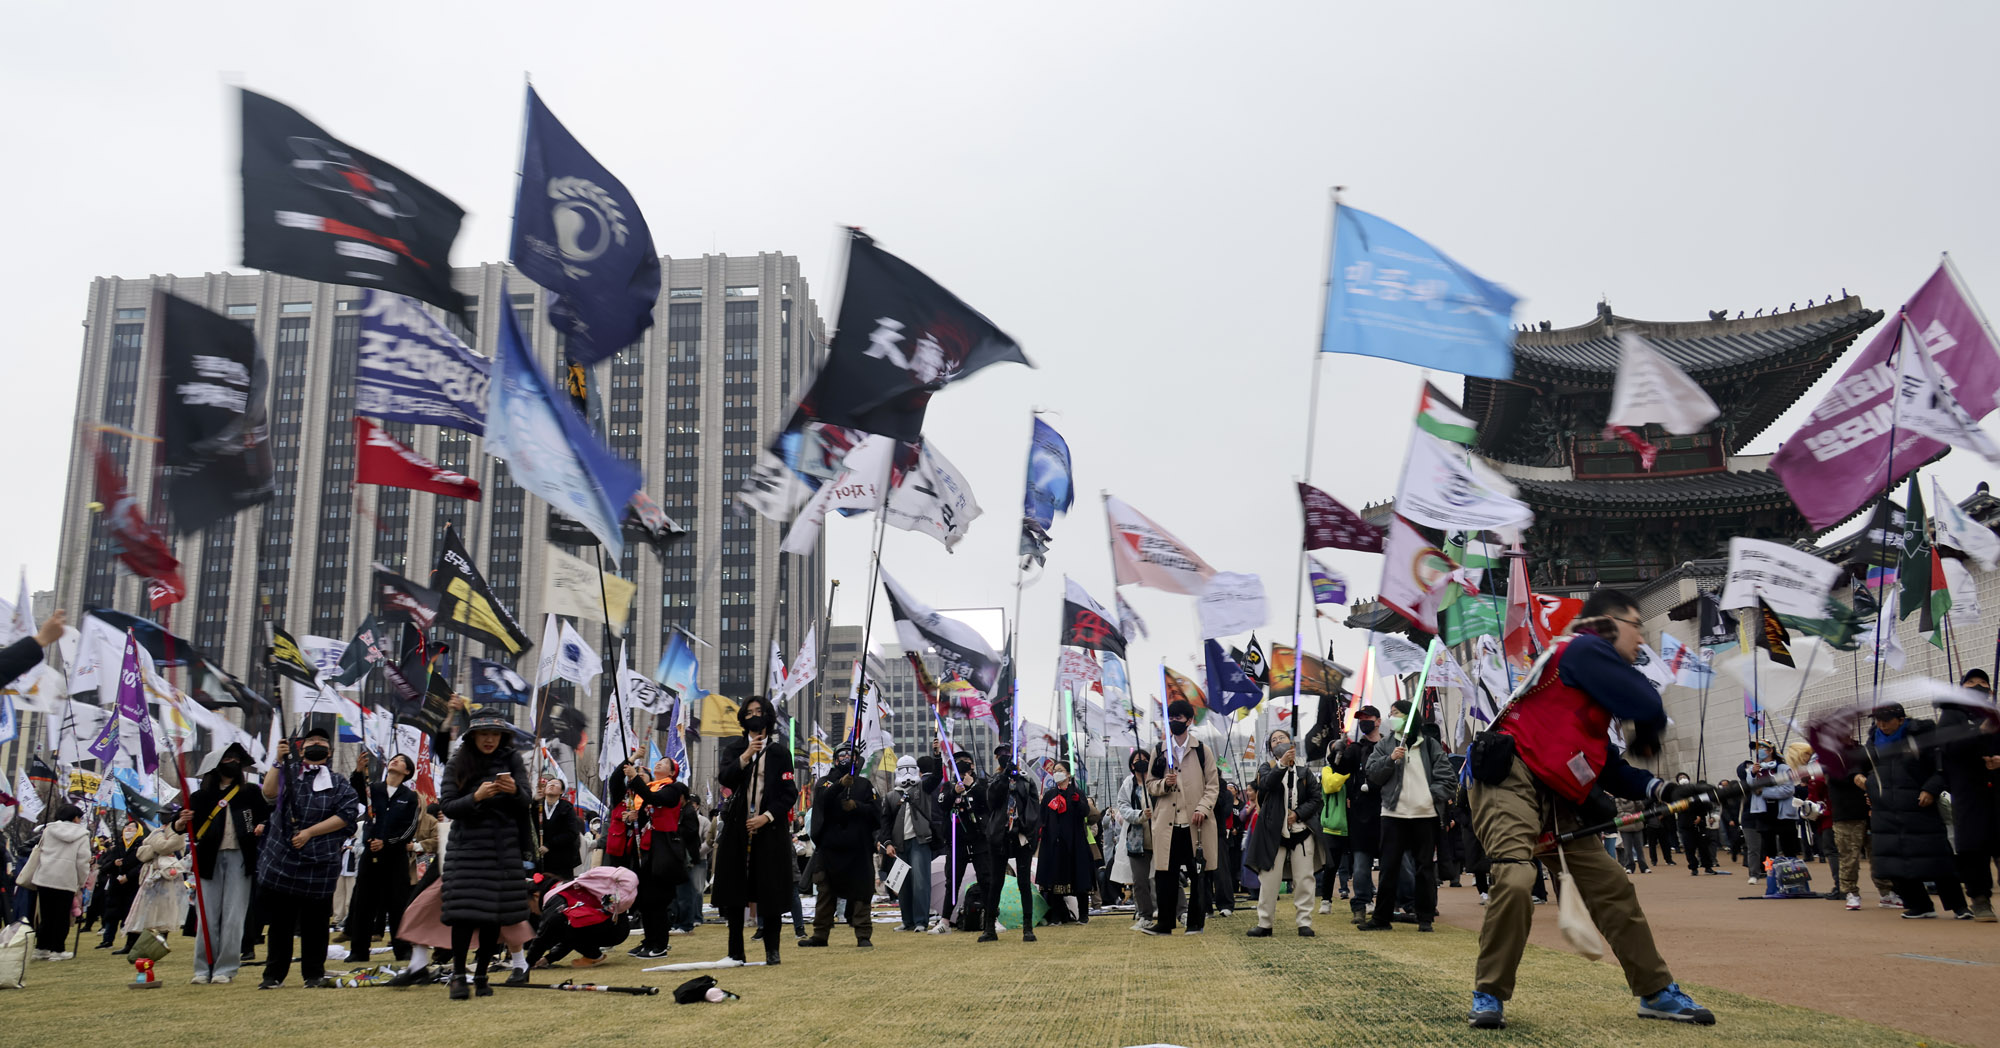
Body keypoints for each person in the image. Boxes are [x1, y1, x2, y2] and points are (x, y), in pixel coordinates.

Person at [1468, 589, 1718, 1029]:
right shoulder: (1581, 646)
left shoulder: (1589, 692)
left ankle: (1656, 992)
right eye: (1637, 626)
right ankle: (1488, 994)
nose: (1641, 640)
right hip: (1510, 778)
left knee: (1612, 886)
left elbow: (1608, 767)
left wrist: (1667, 791)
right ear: (1609, 622)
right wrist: (1648, 728)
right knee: (1516, 875)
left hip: (1560, 797)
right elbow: (1645, 702)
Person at [436, 709, 534, 999]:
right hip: (467, 849)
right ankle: (457, 975)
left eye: (495, 734)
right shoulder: (458, 762)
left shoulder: (512, 760)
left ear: (502, 736)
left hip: (503, 849)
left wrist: (515, 789)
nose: (489, 739)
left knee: (495, 915)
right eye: (483, 734)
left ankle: (481, 976)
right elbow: (448, 806)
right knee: (464, 915)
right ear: (473, 736)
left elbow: (527, 801)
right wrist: (476, 797)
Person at [256, 725, 360, 989]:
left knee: (315, 924)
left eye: (322, 741)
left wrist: (310, 833)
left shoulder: (339, 783)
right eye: (311, 740)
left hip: (321, 863)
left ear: (329, 751)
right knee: (281, 924)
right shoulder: (288, 773)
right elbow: (268, 794)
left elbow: (347, 815)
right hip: (283, 861)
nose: (316, 743)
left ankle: (313, 974)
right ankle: (273, 976)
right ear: (300, 749)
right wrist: (277, 761)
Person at [1856, 702, 1969, 920]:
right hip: (1885, 812)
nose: (1881, 725)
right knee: (1893, 862)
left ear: (1900, 719)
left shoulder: (1923, 737)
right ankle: (1918, 905)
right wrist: (1859, 777)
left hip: (1919, 807)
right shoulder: (1873, 743)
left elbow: (1942, 768)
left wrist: (1931, 789)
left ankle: (1959, 906)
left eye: (1886, 720)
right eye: (1878, 720)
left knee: (1938, 859)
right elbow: (1857, 766)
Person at [714, 696, 799, 965]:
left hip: (769, 829)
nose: (753, 716)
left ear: (767, 716)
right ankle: (735, 951)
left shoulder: (780, 753)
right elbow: (726, 778)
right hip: (738, 829)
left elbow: (789, 793)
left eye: (758, 711)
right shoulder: (734, 749)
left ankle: (772, 950)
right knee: (735, 891)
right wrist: (746, 755)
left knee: (770, 890)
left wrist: (767, 816)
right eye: (748, 712)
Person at [1361, 700, 1454, 933]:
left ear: (1409, 716)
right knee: (1389, 867)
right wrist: (1390, 759)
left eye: (1396, 713)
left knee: (1424, 868)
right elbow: (1372, 773)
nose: (1392, 718)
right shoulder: (1384, 745)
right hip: (1393, 813)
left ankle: (1425, 917)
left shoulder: (1430, 745)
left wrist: (1430, 796)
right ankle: (1382, 918)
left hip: (1425, 814)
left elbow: (1448, 779)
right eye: (1390, 713)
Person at [180, 741, 269, 983]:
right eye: (228, 759)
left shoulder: (251, 792)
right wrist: (181, 822)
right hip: (208, 860)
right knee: (206, 917)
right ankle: (202, 968)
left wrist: (261, 826)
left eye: (236, 759)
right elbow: (182, 827)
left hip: (241, 858)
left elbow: (266, 816)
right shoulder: (200, 797)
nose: (234, 763)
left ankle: (226, 968)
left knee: (233, 916)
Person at [1143, 699, 1219, 936]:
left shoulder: (1201, 751)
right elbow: (1150, 785)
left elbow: (1213, 786)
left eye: (1179, 718)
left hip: (1195, 825)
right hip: (1168, 824)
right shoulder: (1159, 750)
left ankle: (1196, 922)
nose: (1175, 722)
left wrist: (1202, 809)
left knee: (1198, 874)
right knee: (1166, 874)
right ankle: (1165, 923)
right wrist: (1164, 783)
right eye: (1171, 718)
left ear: (1189, 720)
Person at [344, 752, 423, 963]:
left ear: (407, 771)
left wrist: (388, 842)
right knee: (364, 903)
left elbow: (410, 828)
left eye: (401, 761)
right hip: (371, 854)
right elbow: (357, 793)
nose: (395, 761)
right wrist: (358, 772)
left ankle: (402, 948)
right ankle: (359, 950)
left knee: (398, 904)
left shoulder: (410, 796)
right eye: (393, 759)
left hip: (395, 856)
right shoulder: (374, 790)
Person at [609, 756, 690, 959]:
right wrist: (634, 816)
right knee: (645, 899)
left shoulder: (674, 788)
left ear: (672, 772)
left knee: (658, 900)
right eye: (658, 761)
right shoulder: (651, 789)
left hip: (663, 849)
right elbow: (646, 808)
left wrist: (636, 777)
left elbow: (657, 801)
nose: (659, 763)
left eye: (664, 763)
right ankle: (649, 941)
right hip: (644, 849)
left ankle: (660, 944)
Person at [803, 741, 879, 949]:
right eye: (842, 755)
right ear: (836, 760)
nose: (846, 759)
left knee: (862, 893)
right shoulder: (825, 783)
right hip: (830, 848)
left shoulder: (864, 785)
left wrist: (857, 807)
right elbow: (822, 803)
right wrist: (839, 786)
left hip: (858, 848)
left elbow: (877, 813)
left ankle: (863, 934)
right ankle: (820, 935)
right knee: (826, 892)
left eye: (851, 755)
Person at [1938, 670, 2000, 922]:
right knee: (1974, 845)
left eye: (1982, 683)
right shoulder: (1952, 714)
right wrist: (1978, 731)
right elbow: (1948, 747)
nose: (1977, 687)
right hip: (1969, 791)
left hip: (1997, 787)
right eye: (1971, 683)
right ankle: (1980, 898)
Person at [1247, 729, 1321, 937]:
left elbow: (1316, 799)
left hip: (1301, 831)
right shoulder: (1267, 767)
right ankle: (1265, 923)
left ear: (1291, 743)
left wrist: (1297, 814)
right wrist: (1281, 765)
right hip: (1273, 833)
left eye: (1282, 738)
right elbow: (1267, 785)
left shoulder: (1305, 772)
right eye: (1274, 740)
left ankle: (1304, 922)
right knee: (1269, 879)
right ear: (1271, 748)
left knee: (1304, 879)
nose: (1278, 741)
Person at [981, 744, 1040, 942]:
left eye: (1008, 755)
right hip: (999, 836)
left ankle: (1028, 928)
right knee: (996, 881)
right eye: (1001, 755)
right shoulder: (996, 779)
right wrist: (1005, 777)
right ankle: (989, 928)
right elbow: (992, 802)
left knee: (1024, 882)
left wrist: (1027, 832)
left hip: (1021, 836)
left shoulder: (1026, 780)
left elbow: (1033, 809)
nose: (1004, 758)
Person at [526, 866, 639, 969]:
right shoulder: (569, 887)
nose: (532, 911)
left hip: (610, 931)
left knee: (561, 925)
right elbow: (571, 935)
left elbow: (544, 936)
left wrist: (527, 963)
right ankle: (593, 955)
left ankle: (593, 956)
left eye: (529, 905)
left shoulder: (556, 898)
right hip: (619, 926)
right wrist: (548, 959)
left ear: (536, 895)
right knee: (566, 924)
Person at [1334, 706, 1386, 925]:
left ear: (1378, 721)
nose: (1364, 721)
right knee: (1361, 865)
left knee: (1395, 862)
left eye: (1368, 718)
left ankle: (1393, 904)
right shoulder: (1356, 748)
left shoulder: (1390, 745)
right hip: (1361, 814)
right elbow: (1339, 769)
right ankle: (1361, 904)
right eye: (1361, 719)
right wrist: (1337, 750)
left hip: (1388, 811)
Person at [20, 802, 91, 961]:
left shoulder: (48, 830)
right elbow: (82, 861)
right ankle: (57, 949)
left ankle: (42, 948)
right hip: (66, 879)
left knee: (46, 915)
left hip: (45, 876)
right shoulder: (82, 835)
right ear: (75, 818)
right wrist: (80, 882)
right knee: (61, 916)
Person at [882, 754, 942, 931]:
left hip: (920, 841)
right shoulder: (891, 796)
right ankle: (907, 920)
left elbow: (937, 777)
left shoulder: (922, 790)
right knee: (902, 883)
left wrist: (937, 756)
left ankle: (921, 921)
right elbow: (885, 823)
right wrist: (887, 842)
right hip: (899, 844)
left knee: (920, 881)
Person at [1036, 759, 1095, 925]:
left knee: (1079, 877)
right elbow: (1043, 817)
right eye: (1054, 770)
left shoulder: (1077, 793)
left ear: (1068, 774)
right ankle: (1057, 915)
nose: (1056, 773)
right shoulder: (1049, 795)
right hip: (1054, 843)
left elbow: (1085, 812)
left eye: (1060, 770)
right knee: (1054, 879)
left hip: (1075, 842)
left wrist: (1077, 802)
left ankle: (1083, 914)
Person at [1114, 750, 1156, 929]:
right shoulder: (1128, 784)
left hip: (1160, 835)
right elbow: (1123, 806)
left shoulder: (1156, 781)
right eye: (1138, 760)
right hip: (1137, 840)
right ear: (1131, 765)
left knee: (1168, 877)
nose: (1142, 763)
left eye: (1145, 760)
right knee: (1140, 881)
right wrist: (1139, 815)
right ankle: (1145, 915)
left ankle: (1180, 912)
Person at [1670, 774, 1719, 879]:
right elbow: (1680, 808)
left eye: (1684, 777)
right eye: (1680, 778)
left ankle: (1707, 866)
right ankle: (1693, 867)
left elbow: (1707, 806)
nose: (1683, 779)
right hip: (1686, 824)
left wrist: (1700, 816)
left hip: (1700, 824)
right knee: (1689, 848)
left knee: (1704, 847)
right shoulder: (1677, 794)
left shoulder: (1697, 793)